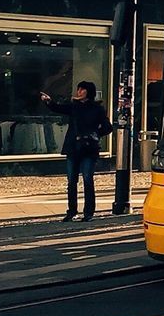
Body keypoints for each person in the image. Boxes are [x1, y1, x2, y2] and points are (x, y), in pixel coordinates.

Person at [40, 81, 112, 221]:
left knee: (87, 179)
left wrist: (94, 134)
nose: (79, 92)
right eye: (78, 89)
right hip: (73, 147)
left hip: (89, 148)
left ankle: (88, 212)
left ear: (88, 92)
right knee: (72, 181)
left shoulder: (97, 109)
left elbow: (107, 127)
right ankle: (72, 211)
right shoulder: (74, 106)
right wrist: (48, 102)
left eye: (82, 89)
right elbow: (58, 108)